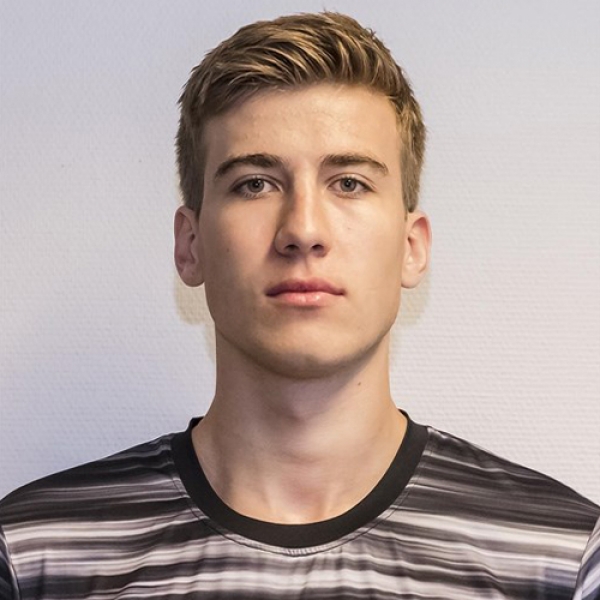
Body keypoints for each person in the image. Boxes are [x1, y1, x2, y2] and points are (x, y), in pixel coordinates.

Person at [0, 11, 598, 600]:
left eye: (349, 183)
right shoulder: (34, 557)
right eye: (255, 183)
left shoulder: (561, 559)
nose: (303, 230)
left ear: (411, 247)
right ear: (190, 246)